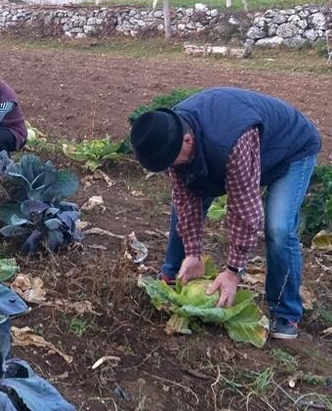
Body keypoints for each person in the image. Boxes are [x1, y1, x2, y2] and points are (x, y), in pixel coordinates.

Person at [129, 87, 321, 340]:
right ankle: (173, 273)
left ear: (187, 141)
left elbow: (244, 211)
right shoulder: (169, 132)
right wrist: (193, 252)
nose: (171, 168)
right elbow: (186, 201)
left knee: (279, 228)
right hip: (225, 151)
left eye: (172, 161)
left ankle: (286, 312)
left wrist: (233, 271)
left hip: (291, 149)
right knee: (183, 206)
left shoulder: (231, 141)